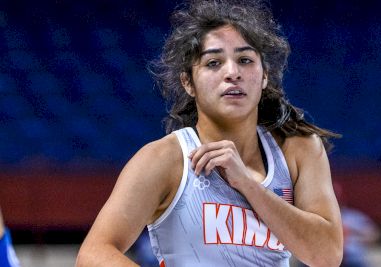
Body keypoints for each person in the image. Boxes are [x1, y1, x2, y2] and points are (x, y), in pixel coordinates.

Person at [76, 0, 343, 266]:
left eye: (245, 60)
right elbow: (93, 255)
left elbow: (327, 256)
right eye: (214, 63)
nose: (232, 73)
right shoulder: (165, 159)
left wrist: (248, 185)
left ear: (264, 76)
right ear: (188, 82)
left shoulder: (299, 149)